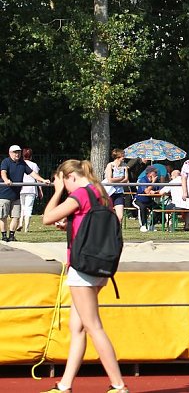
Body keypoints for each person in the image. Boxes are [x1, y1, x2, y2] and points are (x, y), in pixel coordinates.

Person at [40, 159, 129, 393]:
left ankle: (119, 385)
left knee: (92, 326)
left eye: (64, 182)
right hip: (100, 266)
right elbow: (90, 223)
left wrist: (58, 191)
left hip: (82, 268)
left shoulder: (79, 193)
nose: (65, 188)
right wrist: (68, 225)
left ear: (70, 177)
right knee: (77, 327)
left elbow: (46, 217)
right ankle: (65, 385)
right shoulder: (101, 194)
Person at [1, 144, 49, 242]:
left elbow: (32, 173)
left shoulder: (22, 163)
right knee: (3, 216)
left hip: (16, 194)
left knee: (16, 216)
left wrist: (43, 180)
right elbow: (3, 172)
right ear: (10, 153)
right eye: (15, 152)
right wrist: (6, 180)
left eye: (18, 152)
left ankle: (11, 235)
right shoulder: (6, 162)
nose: (17, 154)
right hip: (4, 194)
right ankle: (4, 235)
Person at [20, 148, 44, 234]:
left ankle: (20, 223)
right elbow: (37, 178)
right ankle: (26, 228)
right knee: (28, 208)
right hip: (31, 189)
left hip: (21, 188)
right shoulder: (34, 165)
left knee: (22, 207)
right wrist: (40, 190)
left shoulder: (20, 164)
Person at [103, 149, 129, 221]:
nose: (124, 157)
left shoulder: (124, 166)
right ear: (118, 156)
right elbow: (110, 180)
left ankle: (117, 231)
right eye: (122, 155)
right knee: (107, 215)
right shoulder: (110, 165)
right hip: (109, 193)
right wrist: (121, 178)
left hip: (119, 193)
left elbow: (126, 179)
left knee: (120, 216)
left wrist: (119, 180)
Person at [134, 166, 159, 232]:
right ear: (150, 173)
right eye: (155, 172)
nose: (157, 173)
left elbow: (159, 190)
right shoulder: (143, 180)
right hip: (139, 200)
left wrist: (154, 191)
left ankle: (152, 225)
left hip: (149, 200)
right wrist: (153, 182)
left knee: (158, 209)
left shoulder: (157, 180)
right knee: (142, 208)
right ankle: (143, 225)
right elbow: (147, 191)